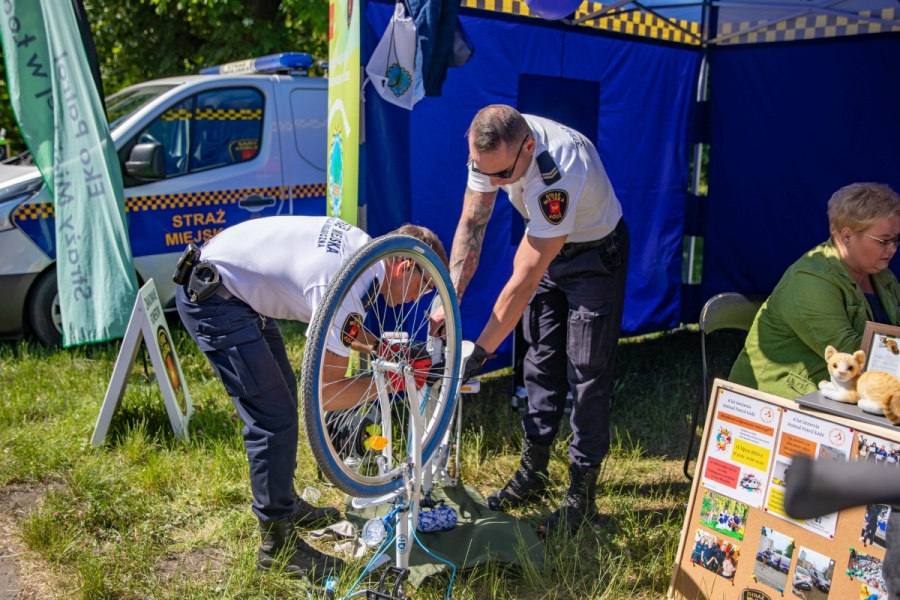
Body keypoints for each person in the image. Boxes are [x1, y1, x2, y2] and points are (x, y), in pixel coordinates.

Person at [175, 216, 446, 579]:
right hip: (213, 298)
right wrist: (394, 382)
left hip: (230, 287)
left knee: (283, 394)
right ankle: (277, 548)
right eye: (424, 286)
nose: (419, 297)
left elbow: (345, 328)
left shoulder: (362, 251)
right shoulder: (350, 282)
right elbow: (325, 395)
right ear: (403, 265)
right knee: (273, 417)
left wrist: (381, 349)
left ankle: (284, 502)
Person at [434, 104, 629, 535]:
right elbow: (473, 220)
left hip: (595, 256)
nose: (493, 182)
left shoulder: (558, 173)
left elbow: (523, 280)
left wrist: (479, 352)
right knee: (539, 359)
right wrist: (449, 298)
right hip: (548, 247)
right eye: (482, 170)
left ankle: (581, 492)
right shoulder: (492, 150)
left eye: (503, 175)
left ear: (527, 147)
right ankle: (534, 470)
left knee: (587, 371)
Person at [730, 183, 900, 399]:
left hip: (843, 395)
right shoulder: (809, 280)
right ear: (847, 237)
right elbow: (851, 356)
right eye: (884, 241)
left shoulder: (883, 277)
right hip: (776, 404)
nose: (892, 249)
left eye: (896, 240)